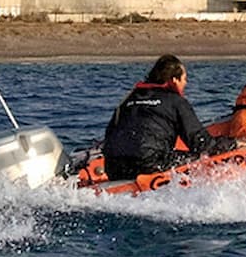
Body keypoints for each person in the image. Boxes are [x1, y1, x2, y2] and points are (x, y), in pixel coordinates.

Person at [102, 54, 238, 181]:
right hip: (149, 164)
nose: (186, 83)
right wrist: (233, 144)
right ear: (174, 80)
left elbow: (109, 134)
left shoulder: (127, 99)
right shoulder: (176, 101)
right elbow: (200, 144)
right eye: (184, 79)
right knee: (200, 159)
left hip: (113, 168)